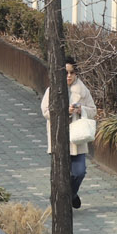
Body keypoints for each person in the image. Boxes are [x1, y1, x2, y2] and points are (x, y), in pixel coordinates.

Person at [41, 57, 97, 210]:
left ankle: (71, 194)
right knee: (60, 174)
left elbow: (93, 110)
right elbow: (45, 112)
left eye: (72, 72)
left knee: (79, 172)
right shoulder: (52, 89)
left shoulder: (82, 90)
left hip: (77, 137)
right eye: (66, 72)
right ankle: (60, 200)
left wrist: (81, 110)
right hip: (59, 136)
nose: (69, 76)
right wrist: (65, 111)